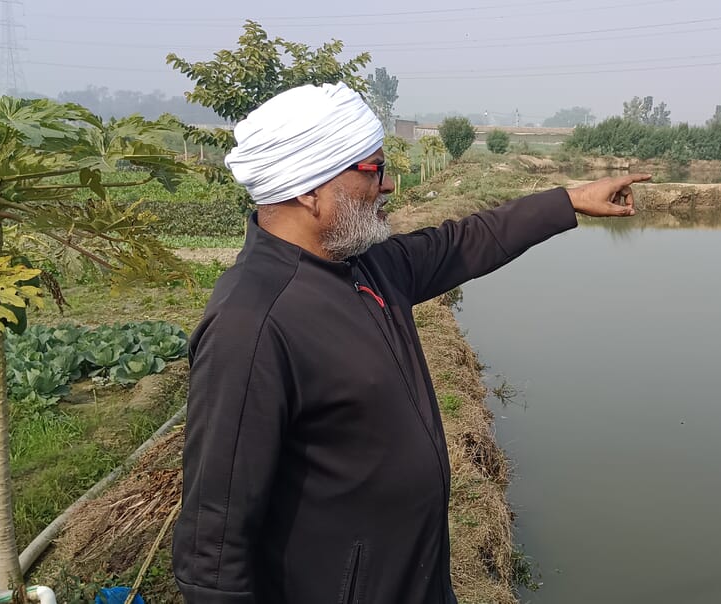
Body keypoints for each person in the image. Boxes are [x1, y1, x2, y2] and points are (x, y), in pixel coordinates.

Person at [171, 82, 649, 603]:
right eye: (373, 170)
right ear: (308, 188)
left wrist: (569, 201)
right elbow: (212, 546)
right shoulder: (254, 323)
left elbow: (466, 240)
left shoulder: (361, 265)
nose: (391, 185)